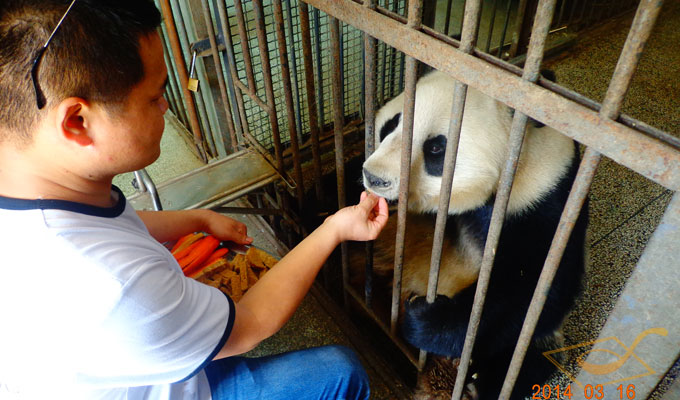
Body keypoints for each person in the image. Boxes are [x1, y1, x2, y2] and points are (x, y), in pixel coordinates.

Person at [0, 1, 389, 399]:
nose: (167, 105)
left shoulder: (31, 184)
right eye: (155, 96)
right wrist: (333, 228)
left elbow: (111, 225)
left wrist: (197, 219)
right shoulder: (118, 286)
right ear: (77, 122)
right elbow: (250, 325)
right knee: (341, 371)